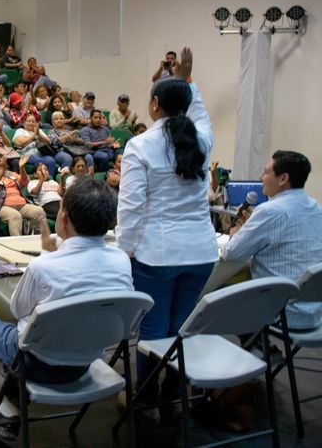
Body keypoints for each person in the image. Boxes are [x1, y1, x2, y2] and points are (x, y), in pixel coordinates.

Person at [0, 179, 133, 434]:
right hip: (86, 362)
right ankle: (9, 406)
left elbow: (18, 310)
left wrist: (47, 256)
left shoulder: (45, 266)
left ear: (63, 218)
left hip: (37, 365)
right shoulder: (122, 260)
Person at [116, 48, 216, 418]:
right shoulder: (202, 140)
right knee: (182, 325)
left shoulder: (140, 144)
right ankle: (174, 393)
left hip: (157, 254)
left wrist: (123, 250)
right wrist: (189, 79)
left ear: (154, 104)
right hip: (202, 252)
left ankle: (146, 397)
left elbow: (130, 207)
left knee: (155, 330)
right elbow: (200, 113)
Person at [222, 151, 322, 329]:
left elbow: (232, 253)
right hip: (314, 311)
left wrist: (236, 231)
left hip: (282, 312)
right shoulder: (316, 208)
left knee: (219, 290)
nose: (261, 177)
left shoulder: (270, 211)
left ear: (283, 178)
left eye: (266, 172)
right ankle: (262, 346)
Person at [0, 152, 44, 235]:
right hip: (1, 207)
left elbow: (25, 182)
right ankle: (18, 245)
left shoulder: (10, 174)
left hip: (21, 205)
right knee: (15, 215)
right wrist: (2, 170)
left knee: (39, 211)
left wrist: (21, 168)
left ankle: (37, 241)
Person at [13, 113, 57, 178]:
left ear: (36, 123)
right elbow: (20, 142)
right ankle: (40, 180)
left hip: (41, 154)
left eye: (33, 121)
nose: (31, 123)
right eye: (28, 121)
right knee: (38, 160)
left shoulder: (39, 131)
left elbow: (48, 142)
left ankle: (50, 180)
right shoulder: (20, 131)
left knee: (51, 161)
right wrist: (33, 135)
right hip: (26, 155)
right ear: (24, 123)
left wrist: (38, 133)